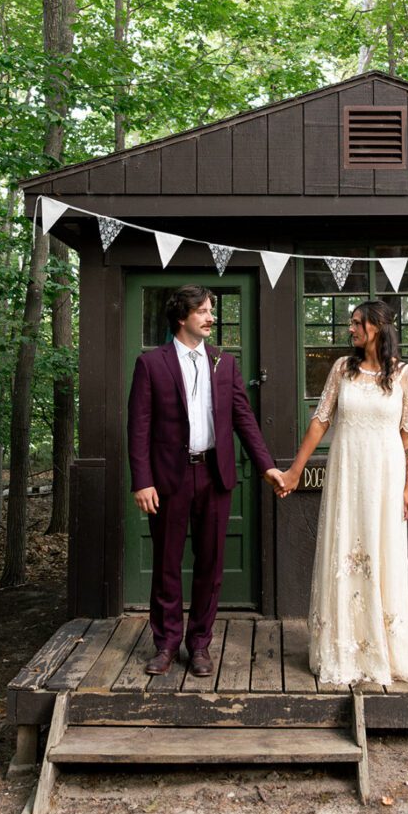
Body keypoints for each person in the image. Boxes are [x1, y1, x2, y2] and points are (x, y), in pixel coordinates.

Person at [127, 285, 284, 677]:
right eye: (203, 311)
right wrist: (142, 480)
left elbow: (243, 418)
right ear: (182, 317)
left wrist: (266, 466)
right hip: (168, 478)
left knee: (211, 564)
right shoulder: (151, 364)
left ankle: (199, 644)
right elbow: (139, 426)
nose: (211, 317)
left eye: (211, 310)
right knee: (166, 563)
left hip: (215, 475)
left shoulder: (224, 363)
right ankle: (166, 644)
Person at [279, 300, 408, 687]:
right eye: (351, 323)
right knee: (345, 549)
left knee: (384, 552)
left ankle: (384, 649)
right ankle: (344, 648)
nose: (352, 329)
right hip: (347, 473)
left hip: (385, 477)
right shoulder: (342, 369)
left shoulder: (406, 376)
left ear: (378, 326)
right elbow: (320, 421)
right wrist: (295, 470)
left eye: (358, 323)